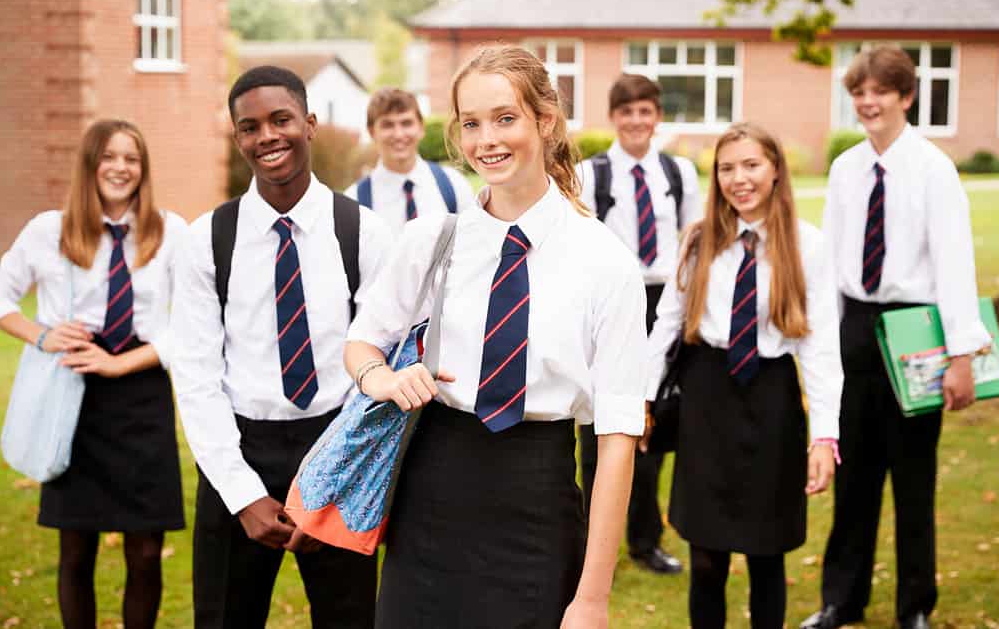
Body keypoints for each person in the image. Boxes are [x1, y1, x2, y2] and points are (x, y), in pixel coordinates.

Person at [344, 45, 647, 629]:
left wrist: (593, 599)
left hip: (535, 501)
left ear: (546, 119)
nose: (487, 140)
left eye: (505, 118)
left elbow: (616, 441)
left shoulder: (605, 262)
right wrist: (381, 377)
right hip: (430, 495)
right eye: (471, 123)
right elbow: (361, 341)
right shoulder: (431, 239)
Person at [170, 66, 392, 628]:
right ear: (237, 138)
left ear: (310, 124)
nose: (267, 136)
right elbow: (196, 378)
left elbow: (384, 360)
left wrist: (334, 479)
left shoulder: (362, 231)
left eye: (281, 119)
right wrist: (242, 495)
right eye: (249, 127)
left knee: (350, 618)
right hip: (237, 449)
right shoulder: (208, 241)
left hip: (339, 445)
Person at [801, 46, 991, 629]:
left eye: (880, 91)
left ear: (906, 97)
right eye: (859, 92)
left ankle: (914, 607)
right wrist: (822, 345)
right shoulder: (845, 169)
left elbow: (955, 262)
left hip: (915, 328)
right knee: (853, 473)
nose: (867, 102)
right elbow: (830, 259)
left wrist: (961, 355)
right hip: (855, 326)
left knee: (913, 477)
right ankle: (842, 600)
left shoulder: (933, 168)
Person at [646, 122, 842, 628]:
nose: (739, 179)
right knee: (706, 557)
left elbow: (820, 349)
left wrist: (824, 437)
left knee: (766, 551)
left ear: (775, 170)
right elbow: (666, 325)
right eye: (727, 168)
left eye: (751, 165)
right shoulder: (698, 241)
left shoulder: (809, 246)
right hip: (706, 402)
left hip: (771, 400)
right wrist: (642, 400)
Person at [0, 119, 186, 629]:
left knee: (147, 552)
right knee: (76, 552)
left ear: (143, 169)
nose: (121, 168)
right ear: (89, 164)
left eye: (132, 158)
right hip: (72, 393)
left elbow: (195, 320)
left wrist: (122, 362)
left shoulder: (170, 232)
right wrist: (40, 334)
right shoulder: (48, 229)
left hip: (141, 393)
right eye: (109, 156)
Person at [577, 73, 701, 575]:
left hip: (664, 304)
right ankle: (589, 541)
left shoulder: (680, 173)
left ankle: (645, 540)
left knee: (653, 424)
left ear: (656, 116)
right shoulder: (591, 173)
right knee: (598, 422)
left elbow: (693, 242)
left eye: (644, 111)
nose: (636, 121)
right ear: (614, 117)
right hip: (609, 304)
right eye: (626, 112)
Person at [346, 87, 475, 234]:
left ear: (421, 127)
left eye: (406, 123)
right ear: (371, 132)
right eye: (388, 125)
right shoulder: (354, 202)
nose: (399, 134)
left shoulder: (453, 184)